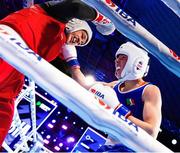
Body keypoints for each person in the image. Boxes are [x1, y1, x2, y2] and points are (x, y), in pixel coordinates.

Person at [0, 0, 115, 147]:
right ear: (76, 24)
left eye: (82, 42)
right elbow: (76, 7)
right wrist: (103, 20)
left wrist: (98, 88)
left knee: (5, 113)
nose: (80, 41)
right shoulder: (54, 16)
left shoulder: (59, 46)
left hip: (18, 68)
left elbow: (75, 76)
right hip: (9, 42)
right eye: (82, 35)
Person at [89, 41, 162, 152]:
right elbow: (85, 86)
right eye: (116, 58)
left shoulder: (150, 90)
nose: (116, 61)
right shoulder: (114, 85)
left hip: (132, 148)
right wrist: (72, 60)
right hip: (109, 146)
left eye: (122, 57)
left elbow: (151, 131)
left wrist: (118, 109)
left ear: (137, 63)